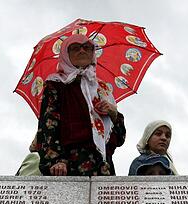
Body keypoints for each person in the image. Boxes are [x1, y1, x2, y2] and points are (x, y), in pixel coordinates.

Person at [35, 34, 126, 176]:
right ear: (66, 54)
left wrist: (113, 113)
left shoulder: (102, 88)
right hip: (68, 165)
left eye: (87, 47)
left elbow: (120, 138)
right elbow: (48, 125)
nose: (82, 51)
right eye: (75, 48)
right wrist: (56, 160)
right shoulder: (56, 85)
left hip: (103, 166)